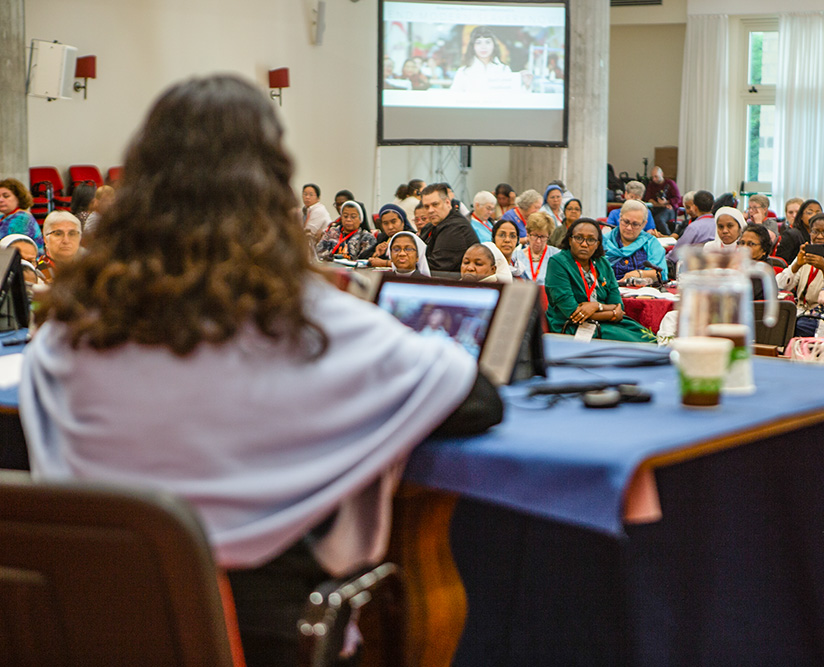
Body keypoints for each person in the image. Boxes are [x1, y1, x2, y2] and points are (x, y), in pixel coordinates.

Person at [18, 75, 502, 667]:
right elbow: (471, 396)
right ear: (273, 187)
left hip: (94, 627)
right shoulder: (305, 317)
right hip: (266, 633)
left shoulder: (71, 324)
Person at [544, 218, 648, 342]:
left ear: (597, 244)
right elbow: (573, 313)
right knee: (636, 343)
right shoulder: (558, 263)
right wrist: (613, 314)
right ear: (570, 240)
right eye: (579, 238)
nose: (584, 244)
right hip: (572, 325)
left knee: (649, 338)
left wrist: (596, 306)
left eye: (591, 240)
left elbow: (618, 305)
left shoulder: (602, 262)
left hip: (603, 322)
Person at [776, 213, 824, 326]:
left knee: (794, 326)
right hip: (800, 312)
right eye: (815, 231)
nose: (820, 236)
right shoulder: (806, 252)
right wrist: (796, 266)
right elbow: (779, 285)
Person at [419, 182, 478, 272]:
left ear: (447, 202)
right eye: (426, 207)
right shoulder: (430, 227)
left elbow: (436, 266)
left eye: (435, 204)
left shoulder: (455, 227)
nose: (430, 210)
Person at [450, 26, 529, 93]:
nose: (483, 47)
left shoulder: (504, 69)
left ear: (494, 45)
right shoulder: (463, 72)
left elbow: (513, 96)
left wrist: (526, 84)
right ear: (473, 46)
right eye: (478, 42)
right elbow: (454, 97)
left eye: (487, 42)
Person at [604, 199, 667, 282]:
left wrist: (639, 274)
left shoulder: (651, 243)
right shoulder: (604, 241)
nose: (629, 228)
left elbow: (660, 273)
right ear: (620, 218)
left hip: (641, 292)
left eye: (635, 224)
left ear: (644, 224)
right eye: (626, 222)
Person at [665, 190, 716, 264]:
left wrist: (665, 258)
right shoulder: (719, 224)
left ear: (695, 207)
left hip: (694, 267)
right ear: (712, 206)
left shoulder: (694, 227)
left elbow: (676, 254)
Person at [512, 211, 559, 285]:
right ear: (528, 233)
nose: (538, 241)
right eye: (535, 236)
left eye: (543, 237)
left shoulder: (556, 255)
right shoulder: (516, 257)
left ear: (549, 236)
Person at [36, 210, 83, 281]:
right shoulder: (37, 274)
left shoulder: (89, 270)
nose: (66, 240)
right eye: (58, 234)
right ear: (45, 239)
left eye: (72, 234)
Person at [774, 198, 822, 266]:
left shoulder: (823, 235)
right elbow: (781, 263)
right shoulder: (791, 234)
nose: (794, 215)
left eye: (818, 212)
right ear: (801, 216)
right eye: (809, 213)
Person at [0, 177, 43, 251]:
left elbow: (9, 247)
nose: (0, 200)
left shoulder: (22, 219)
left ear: (18, 197)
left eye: (6, 196)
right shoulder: (3, 217)